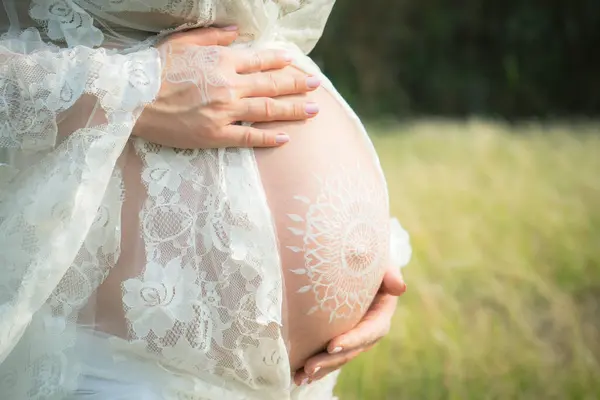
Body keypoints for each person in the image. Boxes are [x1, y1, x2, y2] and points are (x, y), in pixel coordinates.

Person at [0, 0, 411, 399]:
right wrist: (130, 91)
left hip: (305, 380)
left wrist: (364, 253)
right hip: (114, 359)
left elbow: (271, 40)